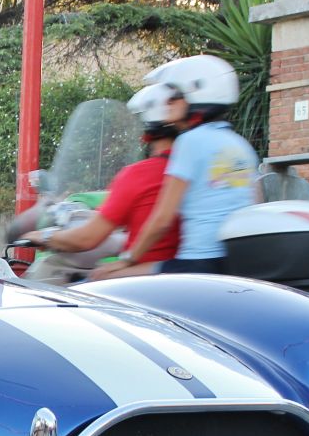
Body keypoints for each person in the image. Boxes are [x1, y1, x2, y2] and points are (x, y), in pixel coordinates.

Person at [94, 54, 256, 279]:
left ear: (198, 93)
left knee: (99, 278)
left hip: (196, 263)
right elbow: (254, 205)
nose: (167, 103)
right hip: (234, 263)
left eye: (174, 96)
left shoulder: (189, 142)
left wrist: (127, 260)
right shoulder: (241, 146)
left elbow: (163, 219)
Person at [18, 84, 181, 278]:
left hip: (143, 282)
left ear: (146, 128)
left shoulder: (140, 174)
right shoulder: (191, 169)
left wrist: (43, 236)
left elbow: (87, 239)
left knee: (88, 279)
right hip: (181, 275)